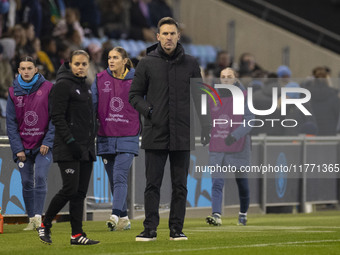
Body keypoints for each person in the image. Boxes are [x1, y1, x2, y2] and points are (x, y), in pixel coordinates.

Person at [129, 17, 207, 241]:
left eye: (172, 33)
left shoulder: (191, 63)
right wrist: (150, 111)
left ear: (178, 36)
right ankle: (149, 229)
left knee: (180, 186)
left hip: (182, 133)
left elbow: (200, 96)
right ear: (158, 36)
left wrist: (206, 125)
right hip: (155, 132)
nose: (169, 37)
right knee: (152, 185)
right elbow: (134, 95)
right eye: (165, 34)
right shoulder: (146, 63)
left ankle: (176, 229)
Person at [37, 50, 99, 245]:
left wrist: (89, 142)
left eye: (83, 64)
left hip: (86, 148)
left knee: (80, 193)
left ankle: (77, 235)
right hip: (68, 147)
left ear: (88, 65)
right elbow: (57, 117)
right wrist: (71, 142)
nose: (80, 67)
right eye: (77, 64)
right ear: (69, 64)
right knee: (69, 189)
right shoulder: (62, 86)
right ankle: (45, 224)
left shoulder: (87, 87)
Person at [91, 46, 140, 231]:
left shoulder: (137, 80)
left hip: (128, 135)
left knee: (119, 176)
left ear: (125, 60)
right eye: (109, 57)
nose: (111, 61)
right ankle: (124, 218)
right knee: (114, 179)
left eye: (116, 57)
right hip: (105, 136)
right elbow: (92, 107)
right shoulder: (99, 79)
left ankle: (113, 215)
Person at [6, 56, 54, 230]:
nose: (26, 71)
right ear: (19, 71)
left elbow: (54, 118)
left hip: (43, 146)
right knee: (26, 182)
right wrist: (18, 148)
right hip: (23, 148)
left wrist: (48, 142)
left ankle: (38, 218)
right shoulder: (13, 92)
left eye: (29, 68)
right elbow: (10, 123)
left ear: (36, 70)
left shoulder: (48, 88)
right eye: (23, 68)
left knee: (40, 177)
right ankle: (31, 218)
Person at [205, 68, 252, 226]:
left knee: (242, 183)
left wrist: (235, 135)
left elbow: (250, 119)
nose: (225, 79)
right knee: (217, 182)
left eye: (229, 77)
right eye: (223, 77)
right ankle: (216, 215)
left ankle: (243, 214)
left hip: (238, 146)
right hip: (218, 145)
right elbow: (206, 118)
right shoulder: (212, 97)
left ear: (235, 79)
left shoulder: (243, 96)